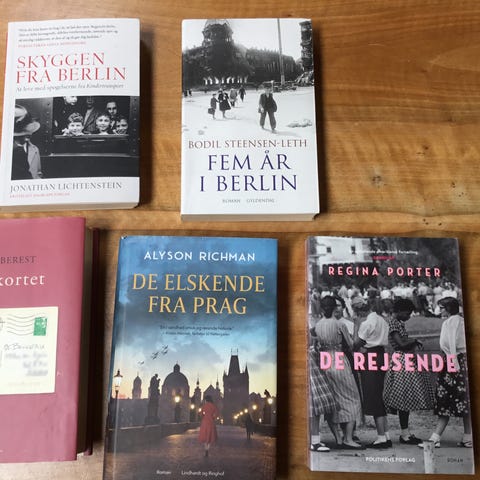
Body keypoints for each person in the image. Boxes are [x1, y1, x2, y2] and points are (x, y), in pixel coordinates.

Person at [418, 297, 472, 449]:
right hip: (457, 361)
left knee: (445, 399)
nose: (440, 310)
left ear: (448, 308)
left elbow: (453, 344)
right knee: (464, 400)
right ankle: (467, 437)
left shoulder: (451, 322)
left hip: (453, 362)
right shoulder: (458, 320)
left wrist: (453, 365)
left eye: (441, 308)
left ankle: (436, 437)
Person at [313, 296, 364, 449]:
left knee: (332, 401)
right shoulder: (340, 324)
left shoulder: (317, 325)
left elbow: (316, 346)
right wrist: (356, 326)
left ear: (322, 308)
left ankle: (338, 438)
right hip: (339, 360)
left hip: (325, 362)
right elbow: (352, 345)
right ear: (335, 308)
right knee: (352, 398)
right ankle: (348, 438)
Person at [383, 298, 435, 445]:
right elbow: (401, 343)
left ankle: (405, 432)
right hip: (401, 360)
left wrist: (412, 342)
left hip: (405, 359)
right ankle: (404, 434)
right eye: (407, 313)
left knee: (405, 398)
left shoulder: (398, 323)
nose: (409, 316)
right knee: (404, 398)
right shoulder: (393, 323)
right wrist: (414, 340)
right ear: (399, 311)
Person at [353, 298, 392, 449]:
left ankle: (381, 437)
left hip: (370, 356)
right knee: (378, 393)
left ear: (360, 311)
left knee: (373, 394)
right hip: (381, 355)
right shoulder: (381, 320)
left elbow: (355, 344)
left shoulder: (366, 323)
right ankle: (386, 435)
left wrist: (356, 325)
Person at [12, 105, 42, 179]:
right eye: (21, 135)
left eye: (28, 135)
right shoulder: (8, 151)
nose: (26, 139)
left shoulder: (35, 149)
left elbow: (38, 173)